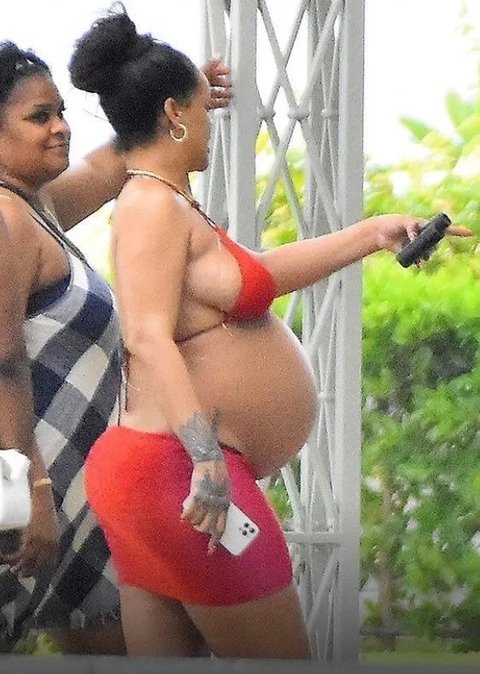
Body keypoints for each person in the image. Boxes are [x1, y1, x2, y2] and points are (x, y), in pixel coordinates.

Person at [68, 6, 472, 660]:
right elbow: (146, 338)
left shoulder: (170, 205)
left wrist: (371, 233)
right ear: (174, 114)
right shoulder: (150, 206)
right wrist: (205, 461)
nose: (210, 126)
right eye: (203, 110)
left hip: (163, 473)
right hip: (179, 471)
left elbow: (261, 275)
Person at [0, 37, 231, 655]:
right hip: (28, 491)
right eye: (39, 116)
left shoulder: (35, 206)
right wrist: (31, 493)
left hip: (74, 495)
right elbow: (4, 365)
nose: (60, 127)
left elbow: (110, 169)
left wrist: (172, 99)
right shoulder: (5, 220)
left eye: (60, 111)